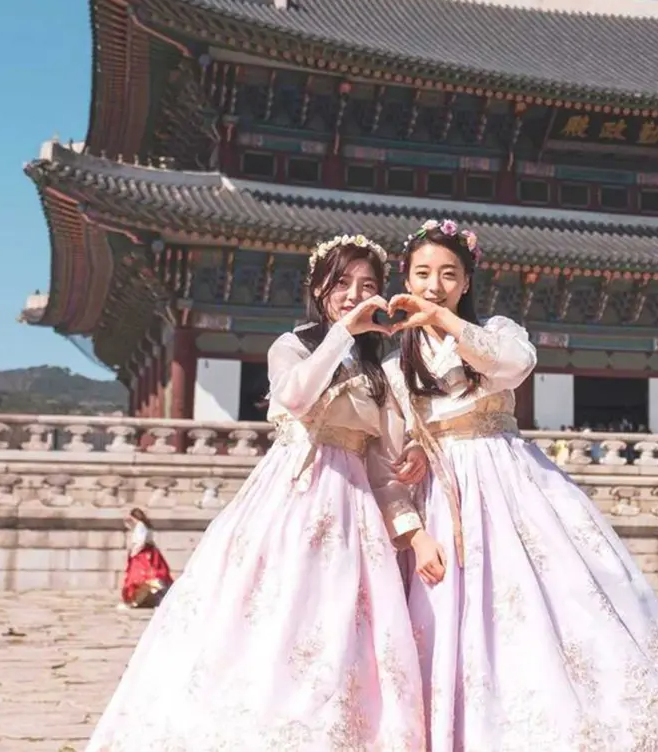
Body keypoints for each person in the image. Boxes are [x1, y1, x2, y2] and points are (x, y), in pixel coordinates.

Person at [381, 220, 658, 750]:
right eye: (423, 273)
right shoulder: (395, 362)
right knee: (449, 617)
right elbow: (396, 437)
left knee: (553, 603)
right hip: (443, 498)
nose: (434, 285)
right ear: (405, 276)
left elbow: (514, 366)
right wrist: (411, 461)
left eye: (448, 275)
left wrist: (448, 323)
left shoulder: (498, 330)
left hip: (508, 482)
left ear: (466, 282)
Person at [85, 235, 431, 751]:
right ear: (319, 289)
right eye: (341, 284)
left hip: (353, 512)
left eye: (367, 287)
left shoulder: (376, 373)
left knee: (343, 631)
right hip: (294, 497)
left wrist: (410, 528)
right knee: (272, 616)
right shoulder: (291, 346)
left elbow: (381, 464)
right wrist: (341, 332)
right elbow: (295, 395)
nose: (354, 295)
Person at [119, 508, 173, 609]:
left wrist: (134, 553)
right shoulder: (146, 525)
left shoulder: (140, 525)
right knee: (152, 575)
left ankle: (136, 598)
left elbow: (141, 541)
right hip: (149, 552)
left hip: (142, 554)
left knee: (139, 577)